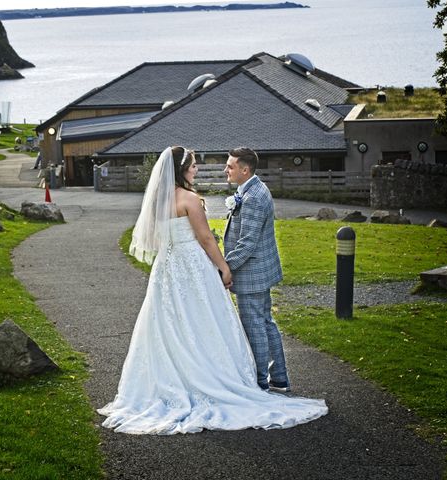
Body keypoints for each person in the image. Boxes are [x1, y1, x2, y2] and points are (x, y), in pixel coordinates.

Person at [98, 146, 327, 435]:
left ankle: (183, 377)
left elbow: (160, 238)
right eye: (193, 165)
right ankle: (242, 379)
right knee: (207, 320)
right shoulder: (190, 199)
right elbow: (206, 238)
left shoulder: (159, 199)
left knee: (169, 324)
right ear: (182, 170)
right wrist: (223, 267)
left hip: (167, 269)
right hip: (192, 267)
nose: (197, 169)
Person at [223, 147, 290, 392]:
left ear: (245, 169)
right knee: (265, 322)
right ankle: (279, 377)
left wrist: (225, 268)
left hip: (251, 274)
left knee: (255, 327)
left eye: (230, 166)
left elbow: (247, 244)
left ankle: (261, 381)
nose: (226, 170)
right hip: (259, 272)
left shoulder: (252, 198)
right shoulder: (252, 190)